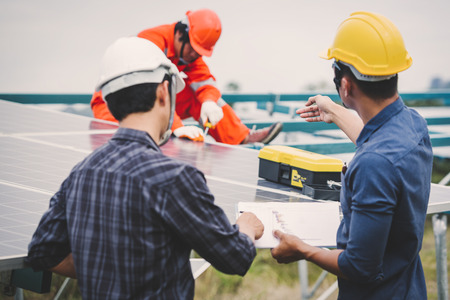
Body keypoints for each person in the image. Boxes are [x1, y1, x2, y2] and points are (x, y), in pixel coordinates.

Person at [27, 36, 264, 299]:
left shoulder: (82, 172)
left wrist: (105, 273)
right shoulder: (175, 178)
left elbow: (43, 251)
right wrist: (246, 227)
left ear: (109, 100)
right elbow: (235, 257)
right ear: (164, 91)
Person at [271, 11, 433, 299]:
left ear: (345, 84)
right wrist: (333, 110)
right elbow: (377, 142)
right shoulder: (413, 124)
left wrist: (303, 249)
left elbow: (360, 266)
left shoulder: (374, 164)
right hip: (409, 288)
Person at [90, 9, 282, 145]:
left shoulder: (188, 54)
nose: (195, 56)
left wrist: (209, 103)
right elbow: (148, 93)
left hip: (152, 105)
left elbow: (204, 82)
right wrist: (175, 127)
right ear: (181, 34)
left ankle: (241, 136)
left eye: (200, 53)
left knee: (201, 98)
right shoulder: (151, 41)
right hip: (115, 104)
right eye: (194, 49)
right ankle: (170, 132)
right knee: (145, 138)